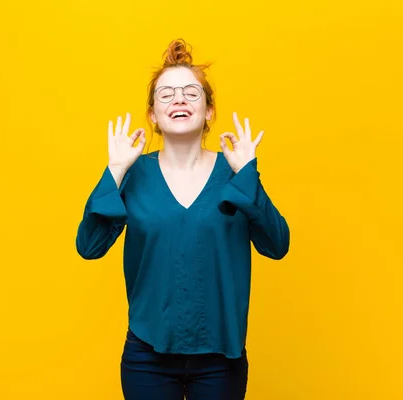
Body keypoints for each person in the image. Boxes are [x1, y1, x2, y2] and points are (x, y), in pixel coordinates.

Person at [75, 38, 290, 400]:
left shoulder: (233, 173)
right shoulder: (133, 174)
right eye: (166, 95)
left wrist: (247, 176)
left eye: (191, 93)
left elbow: (277, 245)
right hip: (147, 357)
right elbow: (89, 246)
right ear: (153, 116)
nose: (179, 100)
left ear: (208, 111)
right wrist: (114, 170)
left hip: (221, 359)